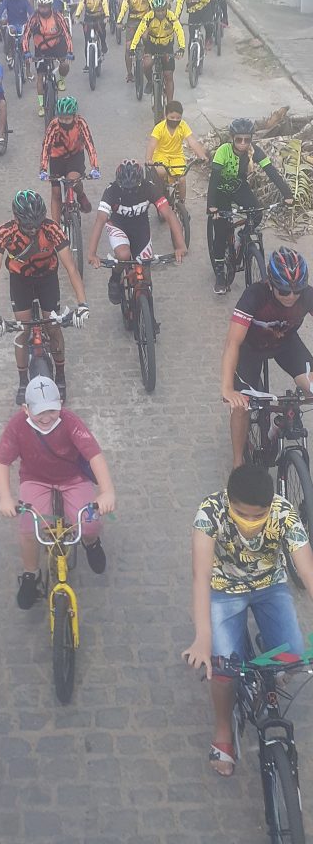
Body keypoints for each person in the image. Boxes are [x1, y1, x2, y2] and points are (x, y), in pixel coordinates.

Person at [182, 463, 313, 776]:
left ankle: (269, 664)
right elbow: (200, 577)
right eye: (242, 514)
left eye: (259, 516)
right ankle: (223, 729)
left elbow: (308, 572)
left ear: (271, 506)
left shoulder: (284, 514)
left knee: (294, 655)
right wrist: (203, 637)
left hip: (270, 587)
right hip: (223, 590)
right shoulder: (209, 511)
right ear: (228, 501)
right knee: (223, 669)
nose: (250, 523)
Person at [0, 375, 115, 609]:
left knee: (89, 522)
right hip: (35, 479)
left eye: (52, 410)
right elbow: (1, 461)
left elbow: (94, 455)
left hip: (73, 478)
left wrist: (107, 491)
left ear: (60, 404)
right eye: (39, 412)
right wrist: (5, 497)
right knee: (29, 528)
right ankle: (31, 574)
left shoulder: (70, 422)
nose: (46, 417)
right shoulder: (17, 426)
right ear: (26, 409)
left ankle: (91, 542)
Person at [0, 190, 89, 403]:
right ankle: (23, 381)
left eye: (37, 224)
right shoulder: (4, 232)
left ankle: (60, 375)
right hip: (20, 280)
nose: (33, 230)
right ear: (16, 219)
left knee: (53, 326)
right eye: (28, 226)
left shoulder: (51, 229)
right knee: (22, 331)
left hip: (47, 278)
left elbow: (71, 268)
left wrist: (82, 304)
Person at [221, 247, 312, 468]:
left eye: (297, 291)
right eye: (284, 291)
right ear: (271, 284)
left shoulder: (307, 295)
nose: (291, 297)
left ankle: (278, 427)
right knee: (241, 407)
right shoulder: (254, 296)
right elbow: (233, 342)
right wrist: (227, 389)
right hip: (250, 349)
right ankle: (237, 464)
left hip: (285, 344)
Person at [207, 118, 293, 294]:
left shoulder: (254, 151)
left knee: (257, 213)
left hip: (239, 187)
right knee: (221, 231)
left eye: (247, 139)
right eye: (239, 139)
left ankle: (243, 236)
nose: (243, 143)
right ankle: (220, 274)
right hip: (220, 191)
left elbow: (271, 172)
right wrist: (212, 206)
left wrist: (287, 195)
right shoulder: (223, 151)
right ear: (232, 138)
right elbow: (213, 180)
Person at [87, 160, 187, 308]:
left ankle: (148, 309)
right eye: (125, 188)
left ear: (141, 182)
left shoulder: (149, 187)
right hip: (118, 226)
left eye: (134, 188)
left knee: (145, 269)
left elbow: (169, 215)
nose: (130, 192)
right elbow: (100, 220)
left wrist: (180, 245)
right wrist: (92, 254)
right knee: (123, 255)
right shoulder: (111, 190)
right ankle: (115, 278)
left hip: (140, 227)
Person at [40, 96, 100, 222]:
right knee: (56, 193)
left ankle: (81, 195)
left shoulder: (81, 124)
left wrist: (95, 167)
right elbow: (46, 146)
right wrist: (43, 169)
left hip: (75, 156)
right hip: (57, 159)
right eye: (61, 118)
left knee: (72, 180)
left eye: (67, 119)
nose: (63, 121)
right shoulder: (53, 125)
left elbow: (89, 144)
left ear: (74, 116)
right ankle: (56, 228)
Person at [21, 0, 74, 116]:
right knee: (40, 77)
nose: (42, 9)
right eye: (40, 6)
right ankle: (41, 105)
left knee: (65, 65)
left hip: (57, 46)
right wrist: (26, 52)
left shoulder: (58, 16)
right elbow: (26, 35)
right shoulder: (34, 18)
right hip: (41, 49)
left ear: (50, 6)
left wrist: (70, 52)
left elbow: (67, 34)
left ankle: (61, 80)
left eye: (45, 6)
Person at [145, 100, 208, 202]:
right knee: (161, 172)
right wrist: (149, 159)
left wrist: (202, 156)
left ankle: (182, 203)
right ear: (166, 116)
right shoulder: (159, 127)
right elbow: (152, 144)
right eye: (172, 117)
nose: (175, 120)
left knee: (182, 179)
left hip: (177, 156)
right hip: (161, 155)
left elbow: (192, 141)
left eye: (178, 118)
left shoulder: (183, 126)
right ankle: (160, 196)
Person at [130, 0, 185, 101]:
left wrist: (181, 48)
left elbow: (179, 31)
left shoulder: (171, 16)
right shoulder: (148, 17)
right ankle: (150, 82)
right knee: (146, 65)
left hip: (167, 46)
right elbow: (139, 31)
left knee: (168, 75)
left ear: (166, 8)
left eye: (162, 10)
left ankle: (170, 103)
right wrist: (132, 47)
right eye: (158, 11)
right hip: (152, 46)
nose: (160, 13)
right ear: (153, 10)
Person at [116, 0, 151, 82]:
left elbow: (153, 4)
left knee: (145, 37)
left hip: (145, 21)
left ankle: (148, 56)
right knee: (128, 48)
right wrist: (119, 21)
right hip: (132, 22)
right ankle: (129, 73)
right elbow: (123, 9)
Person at [0, 0, 33, 74]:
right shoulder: (6, 0)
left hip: (23, 25)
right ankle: (9, 52)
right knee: (9, 32)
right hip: (12, 25)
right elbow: (0, 11)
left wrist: (33, 21)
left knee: (26, 48)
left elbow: (31, 13)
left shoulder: (24, 1)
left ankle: (28, 71)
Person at [74, 0, 109, 66]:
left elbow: (105, 5)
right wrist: (77, 16)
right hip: (88, 18)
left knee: (102, 32)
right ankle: (87, 63)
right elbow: (81, 5)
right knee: (87, 41)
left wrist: (107, 16)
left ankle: (103, 43)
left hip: (99, 17)